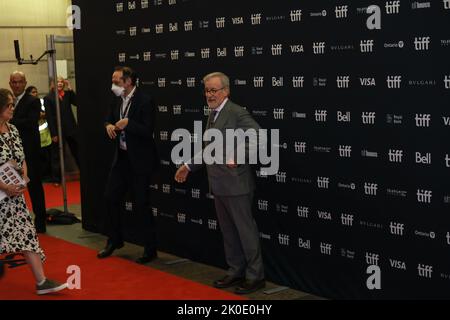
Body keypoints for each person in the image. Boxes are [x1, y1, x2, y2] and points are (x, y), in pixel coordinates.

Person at [175, 72, 265, 295]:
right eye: (207, 90)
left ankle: (255, 277)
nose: (209, 95)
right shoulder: (214, 114)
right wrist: (188, 165)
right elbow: (210, 149)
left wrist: (238, 156)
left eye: (214, 90)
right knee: (229, 232)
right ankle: (236, 271)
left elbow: (259, 136)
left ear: (226, 91)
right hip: (219, 184)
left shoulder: (235, 112)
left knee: (245, 232)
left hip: (237, 185)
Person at [0, 88, 68, 294]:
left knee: (27, 235)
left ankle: (41, 281)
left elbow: (23, 158)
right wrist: (5, 186)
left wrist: (23, 180)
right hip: (3, 193)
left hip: (15, 198)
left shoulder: (13, 130)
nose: (13, 109)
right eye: (9, 106)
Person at [97, 66, 159, 264]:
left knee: (141, 204)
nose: (113, 85)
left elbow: (147, 130)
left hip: (140, 161)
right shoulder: (117, 99)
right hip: (121, 158)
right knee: (109, 198)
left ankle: (150, 249)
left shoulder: (145, 100)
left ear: (128, 81)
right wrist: (108, 125)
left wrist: (127, 124)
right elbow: (108, 118)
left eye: (116, 81)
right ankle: (114, 240)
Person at [9, 72, 47, 233]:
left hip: (30, 152)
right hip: (12, 153)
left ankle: (40, 222)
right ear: (10, 84)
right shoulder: (7, 101)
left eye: (20, 82)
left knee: (34, 187)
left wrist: (9, 120)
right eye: (14, 82)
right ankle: (15, 222)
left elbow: (31, 122)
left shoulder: (33, 101)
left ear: (25, 83)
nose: (17, 85)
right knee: (12, 188)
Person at [44, 77, 80, 178]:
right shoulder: (48, 98)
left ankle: (84, 172)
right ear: (52, 84)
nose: (59, 84)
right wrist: (53, 133)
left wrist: (70, 88)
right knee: (57, 155)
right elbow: (49, 117)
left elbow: (77, 102)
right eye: (57, 82)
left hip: (71, 128)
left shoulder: (67, 94)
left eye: (61, 82)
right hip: (58, 130)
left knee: (77, 150)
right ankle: (57, 178)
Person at [25, 86, 55, 184]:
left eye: (36, 92)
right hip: (35, 137)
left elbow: (47, 114)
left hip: (46, 135)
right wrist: (39, 115)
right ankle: (42, 177)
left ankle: (49, 176)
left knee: (48, 158)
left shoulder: (41, 101)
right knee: (39, 160)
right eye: (33, 92)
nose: (36, 94)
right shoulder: (26, 104)